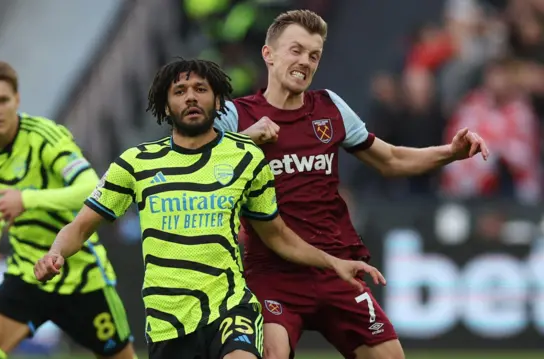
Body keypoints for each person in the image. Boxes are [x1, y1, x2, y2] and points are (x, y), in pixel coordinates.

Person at [34, 58, 385, 359]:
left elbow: (277, 235)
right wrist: (55, 253)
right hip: (167, 321)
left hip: (229, 307)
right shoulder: (135, 163)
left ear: (219, 101)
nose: (190, 97)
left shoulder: (246, 158)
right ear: (165, 104)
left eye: (201, 89)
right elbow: (80, 227)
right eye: (179, 91)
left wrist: (333, 261)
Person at [214, 9, 490, 359]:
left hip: (336, 268)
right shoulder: (237, 116)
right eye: (296, 50)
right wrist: (246, 140)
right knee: (271, 353)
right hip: (271, 273)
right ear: (269, 54)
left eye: (314, 55)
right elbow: (193, 161)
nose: (305, 62)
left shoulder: (330, 108)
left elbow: (390, 160)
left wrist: (451, 152)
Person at [0, 61, 136, 359]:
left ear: (16, 100)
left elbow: (90, 186)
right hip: (27, 273)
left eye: (2, 100)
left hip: (80, 275)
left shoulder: (46, 138)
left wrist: (26, 200)